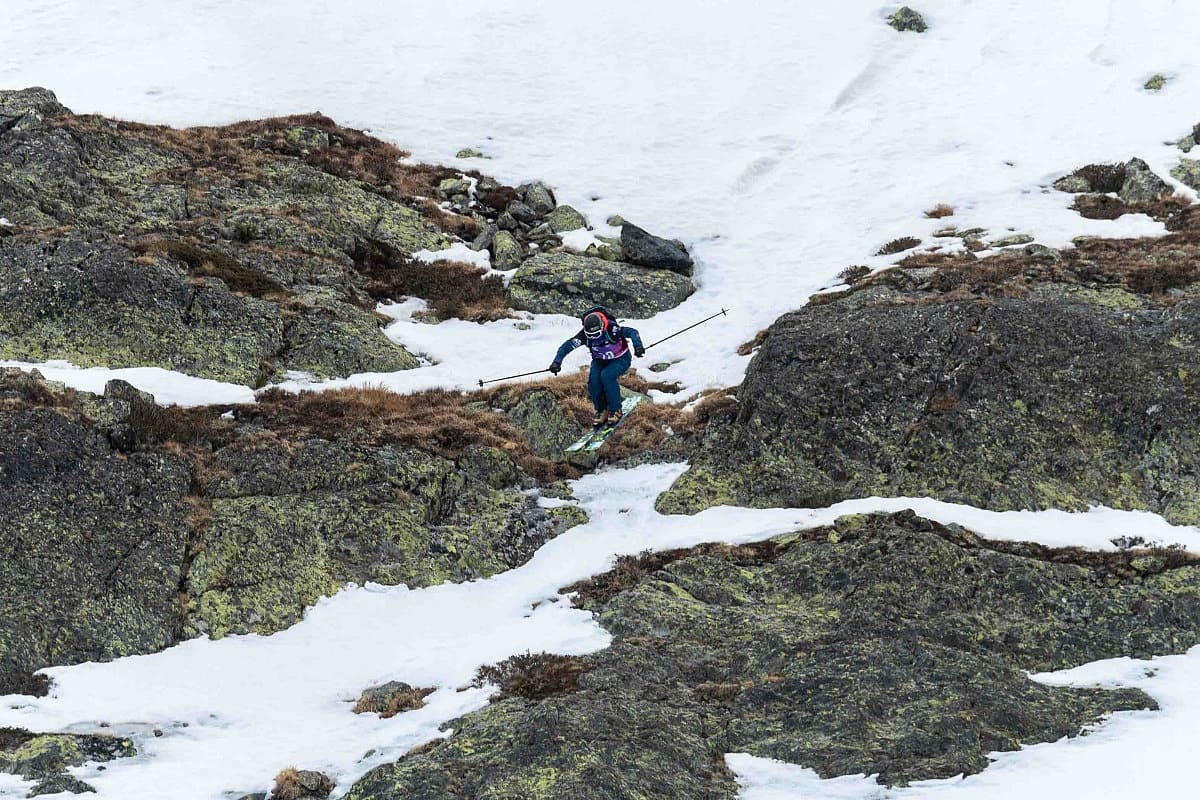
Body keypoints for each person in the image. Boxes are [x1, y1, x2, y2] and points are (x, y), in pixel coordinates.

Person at [549, 305, 644, 428]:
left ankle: (616, 410)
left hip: (620, 359)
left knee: (607, 376)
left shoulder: (612, 329)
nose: (594, 337)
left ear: (602, 327)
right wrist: (557, 362)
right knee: (593, 381)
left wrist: (638, 346)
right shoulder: (583, 335)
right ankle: (601, 410)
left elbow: (632, 332)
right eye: (590, 335)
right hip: (600, 360)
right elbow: (566, 346)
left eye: (597, 334)